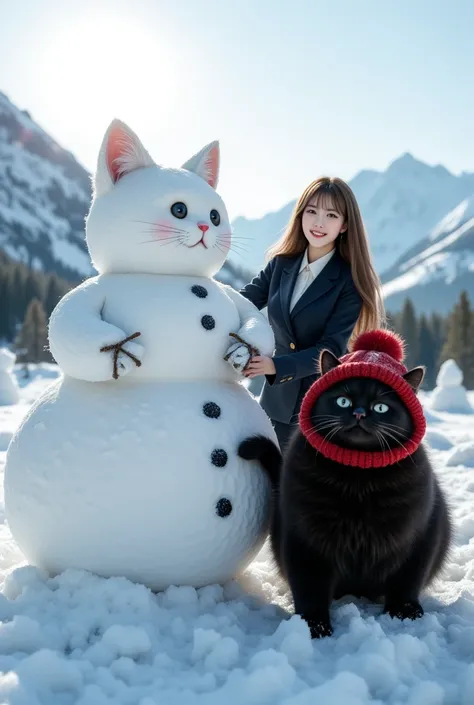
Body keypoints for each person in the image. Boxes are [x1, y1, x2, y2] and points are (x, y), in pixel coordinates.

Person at [239, 176, 385, 450]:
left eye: (331, 215)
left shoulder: (348, 282)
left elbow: (330, 347)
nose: (319, 222)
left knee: (297, 487)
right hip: (273, 402)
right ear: (301, 215)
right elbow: (242, 302)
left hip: (317, 407)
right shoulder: (281, 264)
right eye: (312, 211)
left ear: (344, 225)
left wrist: (276, 367)